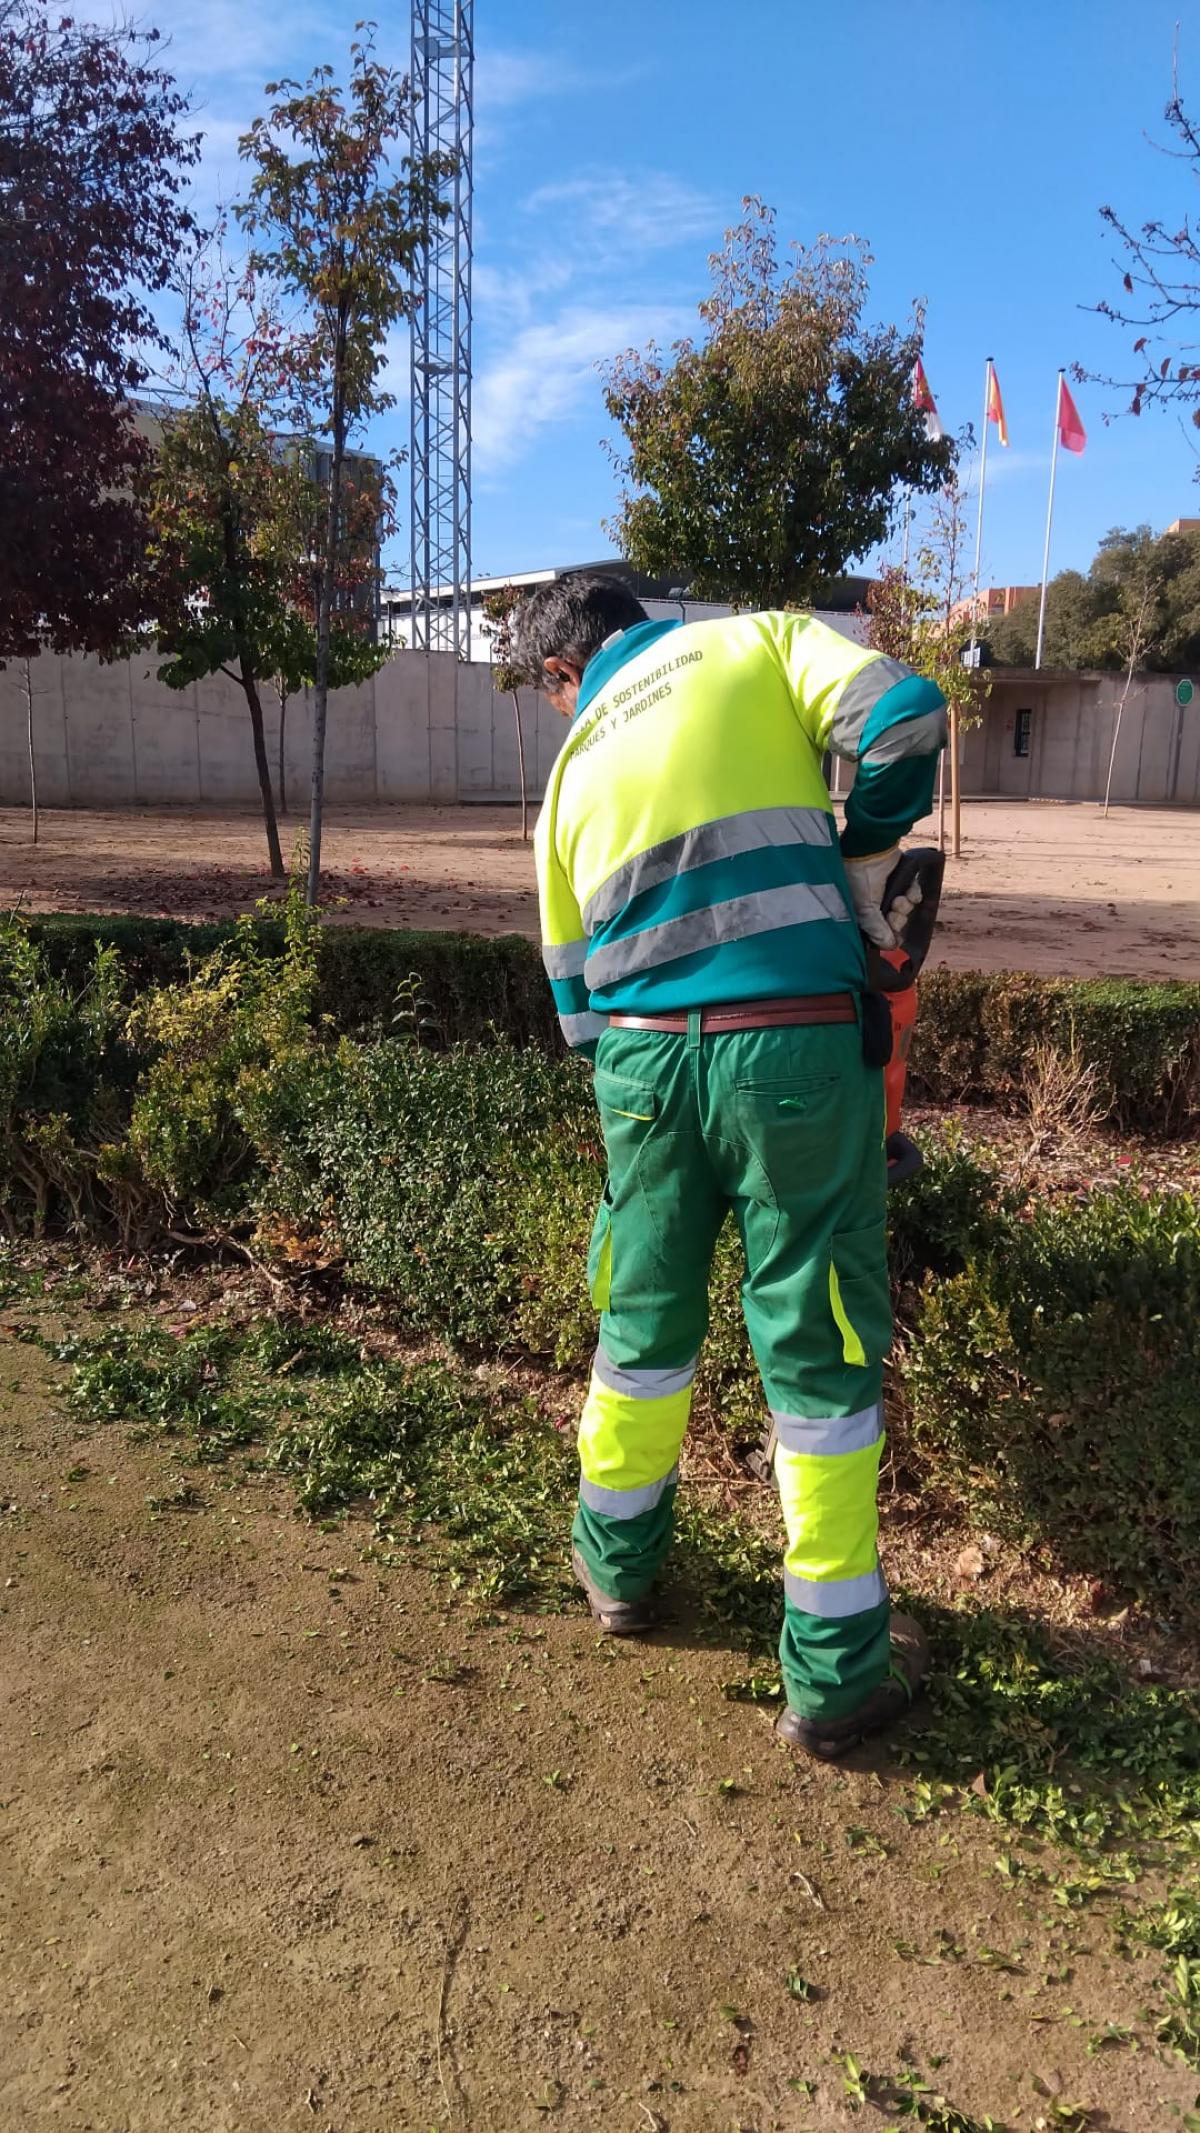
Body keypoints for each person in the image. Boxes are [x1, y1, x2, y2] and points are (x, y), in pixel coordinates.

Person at [519, 572, 947, 1760]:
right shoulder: (753, 642)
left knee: (641, 1322)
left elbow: (573, 1000)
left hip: (644, 1072)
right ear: (639, 627)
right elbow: (908, 714)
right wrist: (853, 846)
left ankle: (616, 1575)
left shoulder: (565, 779)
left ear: (567, 675)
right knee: (816, 1346)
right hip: (797, 1050)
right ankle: (835, 1676)